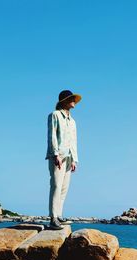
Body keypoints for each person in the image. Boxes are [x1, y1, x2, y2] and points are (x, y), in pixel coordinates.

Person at [45, 90, 82, 230]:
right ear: (64, 101)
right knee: (56, 186)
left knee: (64, 188)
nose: (74, 101)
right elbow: (52, 136)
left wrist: (75, 160)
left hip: (69, 157)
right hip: (58, 155)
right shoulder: (54, 115)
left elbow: (74, 141)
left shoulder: (72, 121)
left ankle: (59, 215)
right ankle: (53, 218)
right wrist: (55, 155)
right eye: (71, 98)